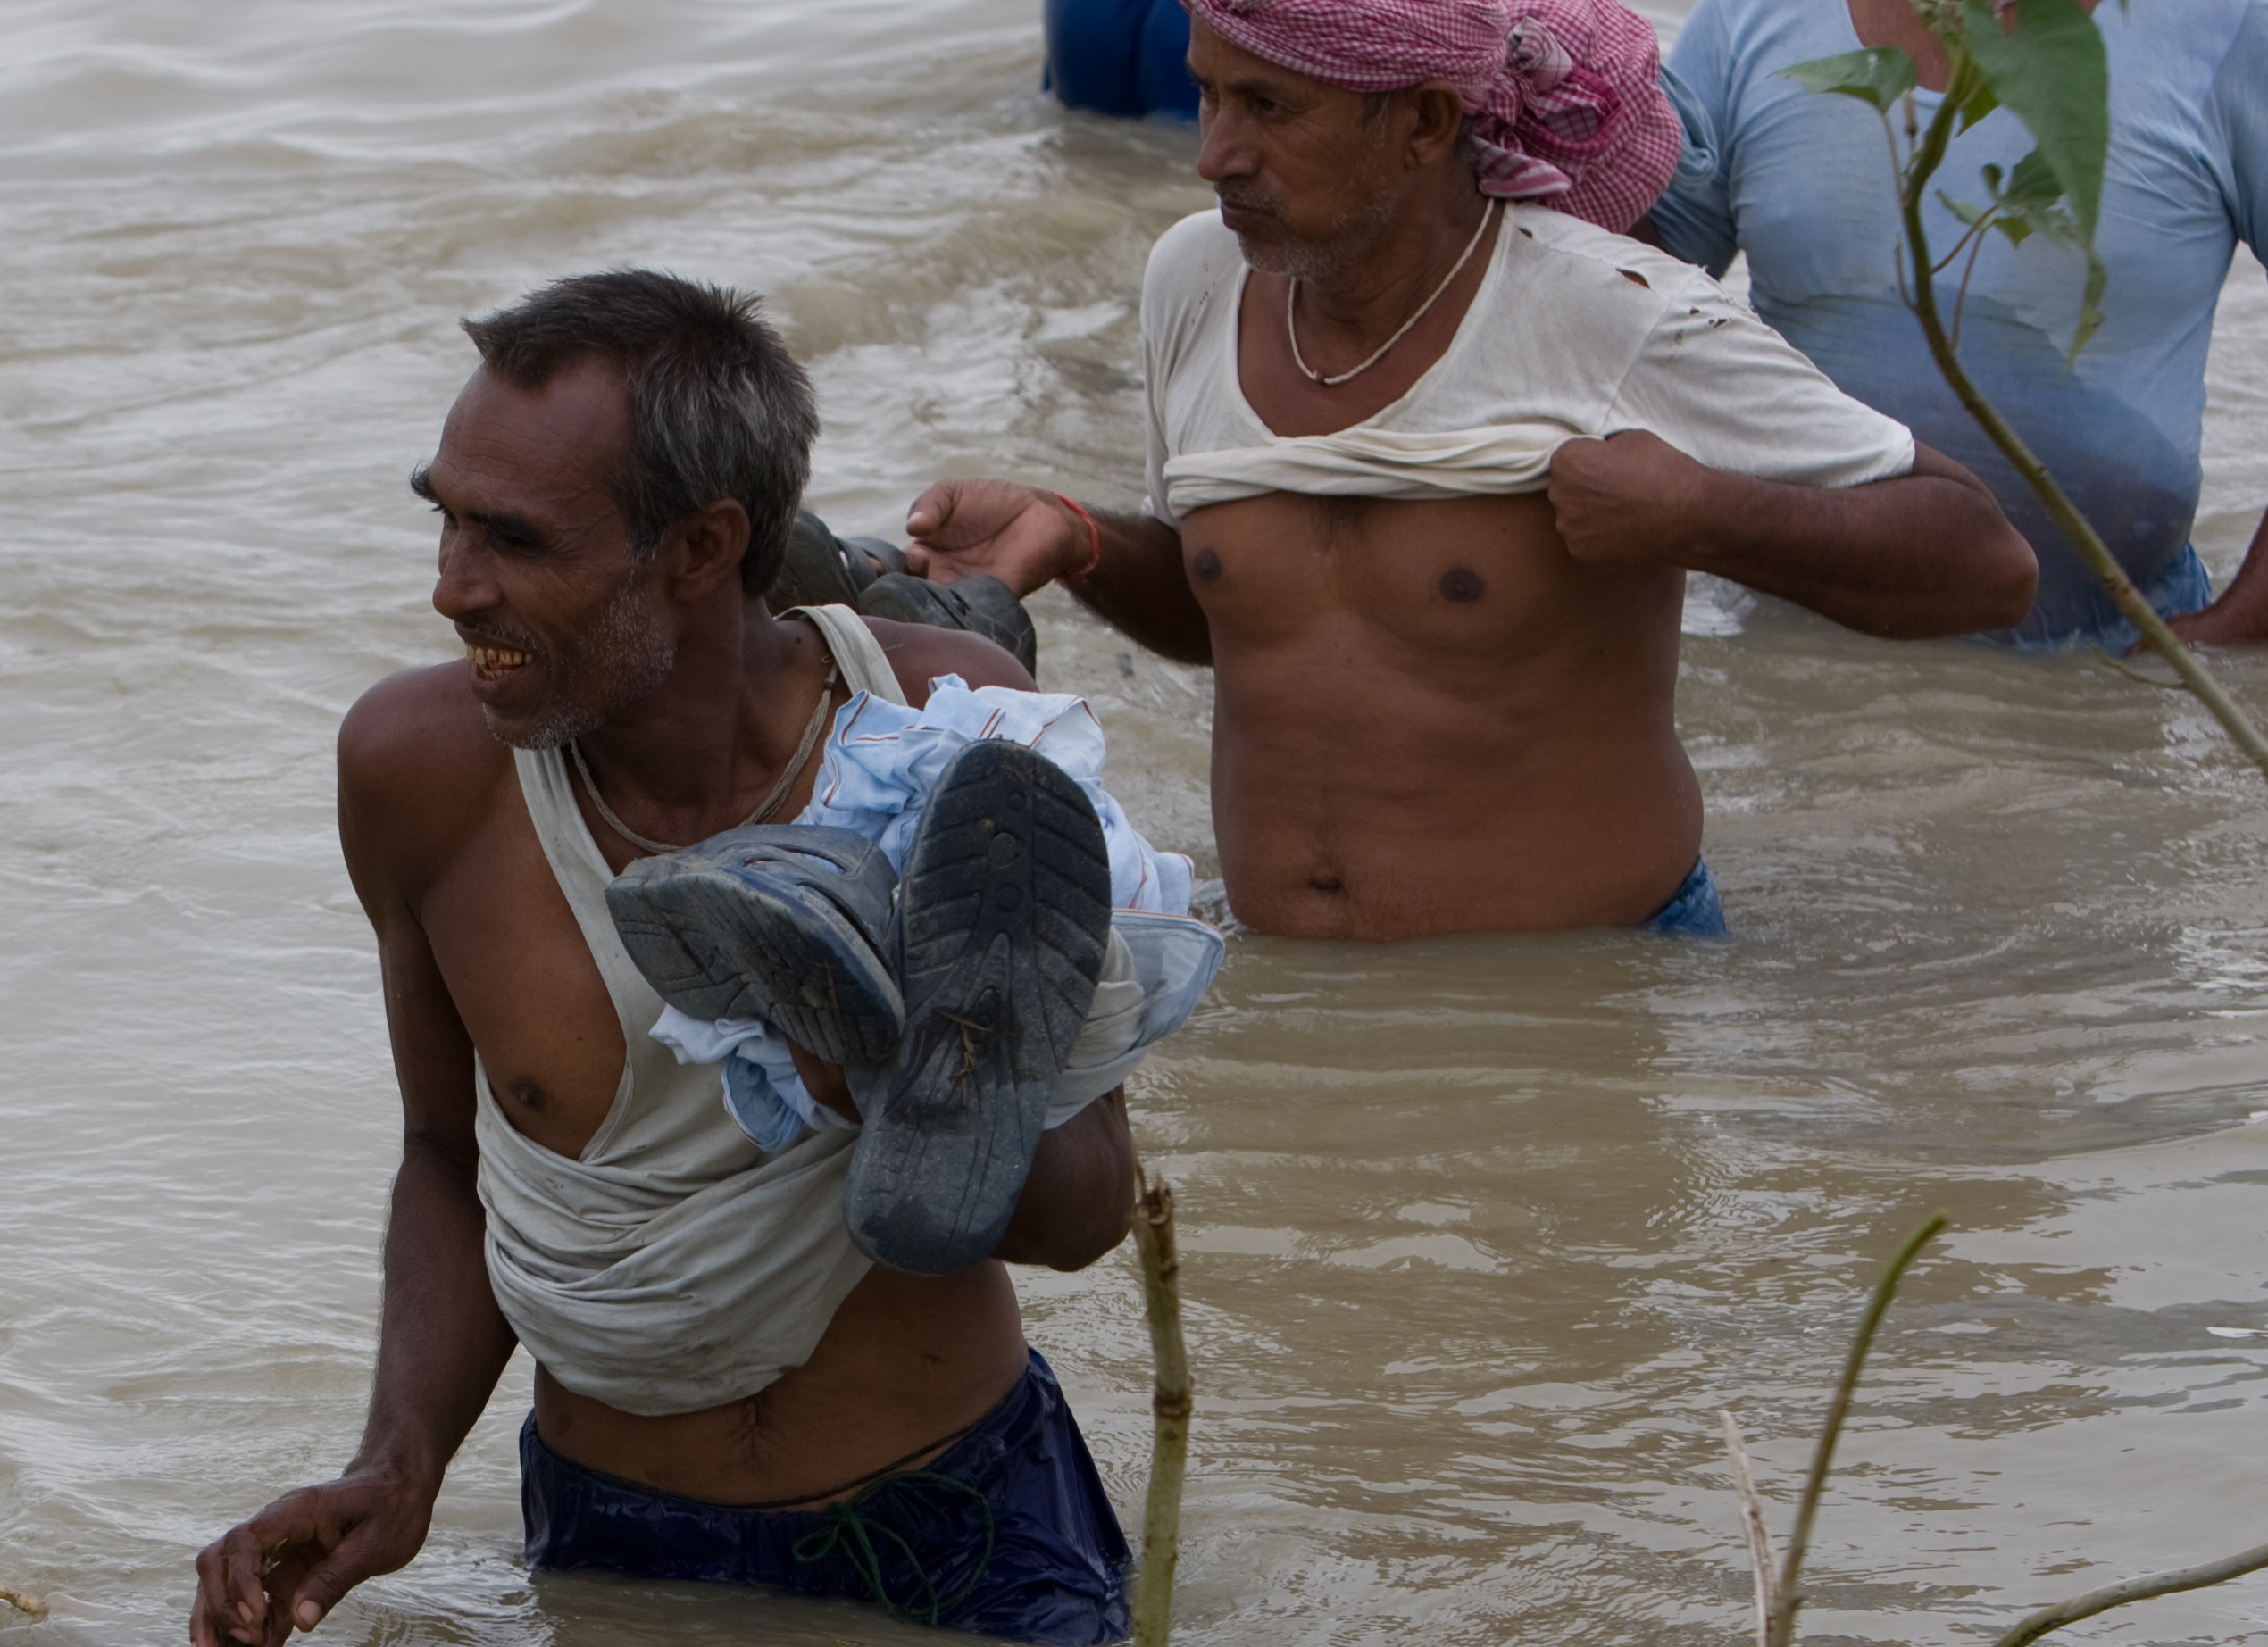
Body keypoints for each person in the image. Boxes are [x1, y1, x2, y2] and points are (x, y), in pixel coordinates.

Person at [189, 273, 1205, 1647]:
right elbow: (449, 1155)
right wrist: (397, 1465)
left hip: (961, 1527)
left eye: (513, 539)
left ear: (704, 545)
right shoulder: (418, 775)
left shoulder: (950, 739)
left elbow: (1088, 1210)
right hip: (613, 1550)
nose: (451, 589)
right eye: (443, 517)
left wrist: (887, 1090)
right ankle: (846, 994)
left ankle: (872, 1016)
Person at [899, 0, 2041, 944]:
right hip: (1296, 1005)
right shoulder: (1195, 279)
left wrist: (1703, 516)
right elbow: (1259, 618)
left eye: (1266, 107)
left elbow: (1985, 562)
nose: (1213, 156)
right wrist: (1075, 534)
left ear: (1426, 121)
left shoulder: (1608, 311)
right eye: (1206, 93)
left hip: (1581, 1000)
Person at [1647, 0, 2268, 650]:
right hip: (1784, 648)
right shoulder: (1747, 17)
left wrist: (2231, 638)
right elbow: (1624, 303)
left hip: (2103, 670)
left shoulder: (2225, 25)